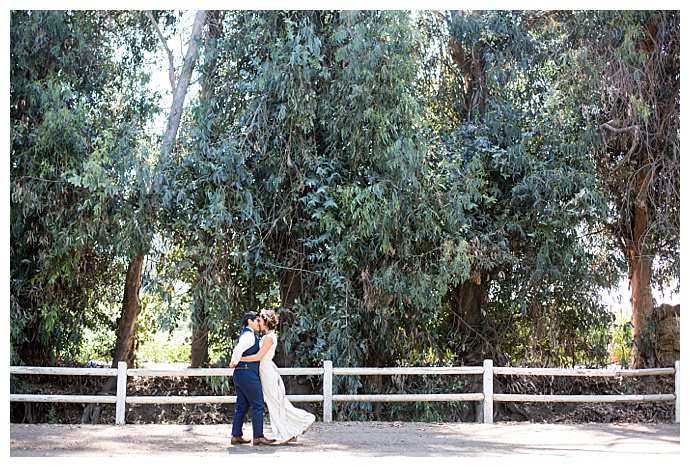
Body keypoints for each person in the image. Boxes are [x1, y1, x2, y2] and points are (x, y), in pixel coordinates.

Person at [239, 308, 316, 443]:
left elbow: (259, 356)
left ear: (266, 321)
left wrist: (240, 359)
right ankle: (290, 431)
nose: (258, 322)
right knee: (275, 402)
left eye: (260, 320)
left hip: (267, 372)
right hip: (264, 371)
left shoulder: (269, 338)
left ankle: (301, 422)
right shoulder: (266, 336)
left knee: (276, 402)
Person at [229, 312, 275, 446]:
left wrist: (236, 364)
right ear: (250, 321)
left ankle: (236, 435)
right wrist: (234, 362)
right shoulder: (249, 335)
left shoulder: (247, 334)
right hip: (247, 373)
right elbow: (237, 350)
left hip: (241, 374)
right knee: (258, 404)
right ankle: (258, 436)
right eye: (256, 320)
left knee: (242, 406)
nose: (258, 323)